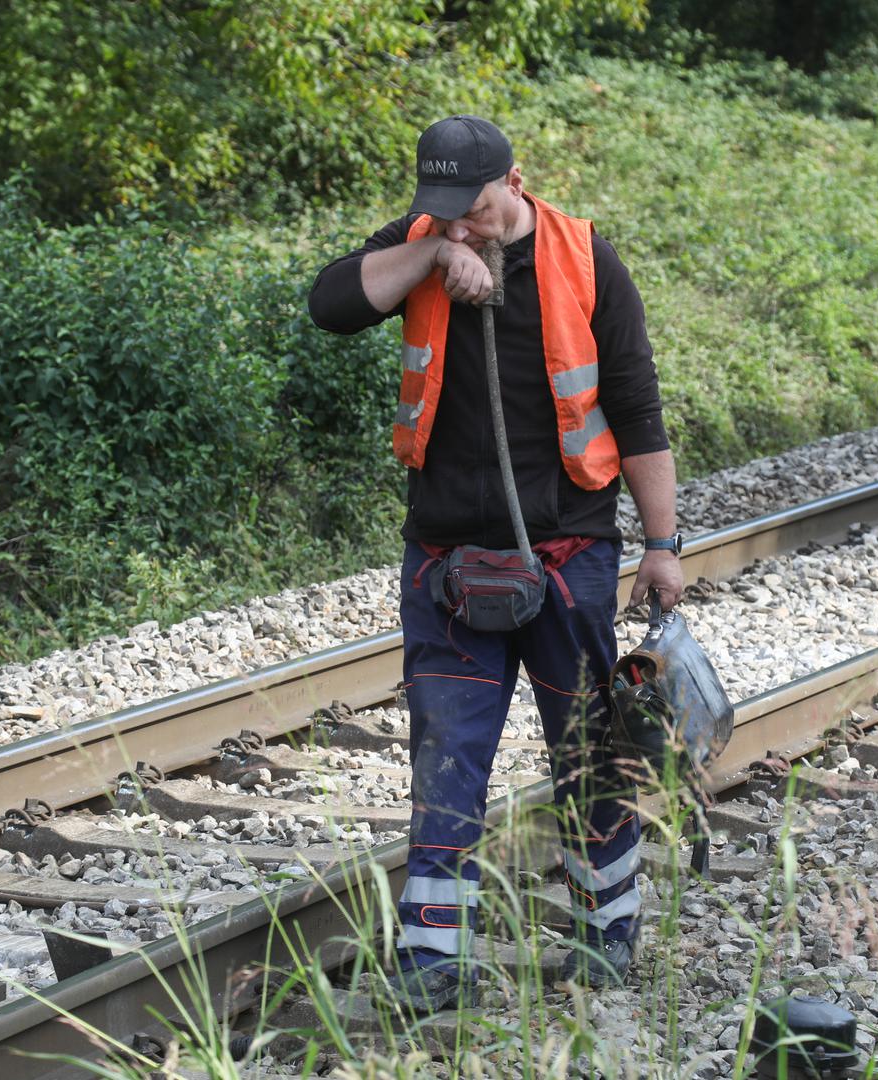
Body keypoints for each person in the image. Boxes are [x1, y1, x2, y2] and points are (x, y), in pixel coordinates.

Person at [307, 115, 684, 1013]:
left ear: (514, 184)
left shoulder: (588, 259)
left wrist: (663, 544)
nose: (462, 225)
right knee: (447, 759)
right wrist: (433, 256)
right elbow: (329, 306)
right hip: (445, 561)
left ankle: (607, 933)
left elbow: (634, 405)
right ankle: (434, 961)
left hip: (568, 553)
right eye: (443, 211)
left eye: (473, 211)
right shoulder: (422, 241)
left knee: (588, 753)